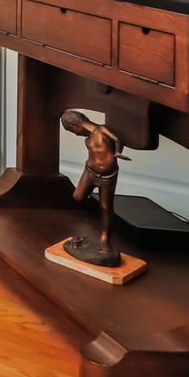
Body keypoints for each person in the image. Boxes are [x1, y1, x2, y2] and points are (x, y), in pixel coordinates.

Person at [60, 109, 126, 267]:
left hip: (108, 177)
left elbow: (118, 139)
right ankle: (87, 231)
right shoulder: (88, 138)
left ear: (74, 125)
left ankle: (105, 240)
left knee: (106, 207)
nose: (76, 135)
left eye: (73, 131)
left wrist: (117, 152)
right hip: (89, 172)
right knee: (77, 197)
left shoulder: (101, 129)